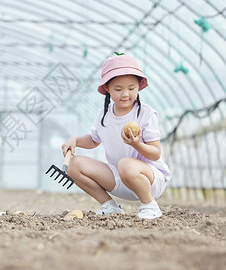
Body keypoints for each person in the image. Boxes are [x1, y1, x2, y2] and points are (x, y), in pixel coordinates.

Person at [62, 54, 171, 219]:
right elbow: (93, 140)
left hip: (149, 180)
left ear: (139, 87)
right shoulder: (104, 115)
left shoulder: (145, 114)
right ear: (107, 88)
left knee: (126, 164)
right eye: (118, 89)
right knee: (73, 165)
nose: (125, 94)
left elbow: (155, 153)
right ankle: (110, 205)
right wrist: (75, 140)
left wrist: (136, 144)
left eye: (131, 88)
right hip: (119, 177)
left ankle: (150, 205)